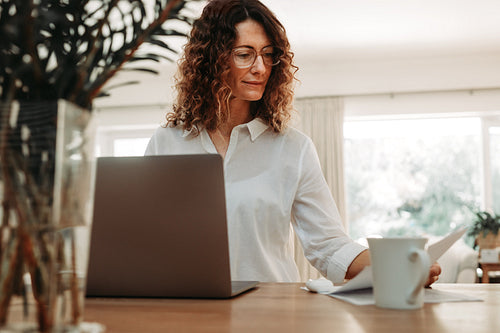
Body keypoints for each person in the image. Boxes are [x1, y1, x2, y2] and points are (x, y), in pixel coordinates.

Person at [145, 0, 441, 285]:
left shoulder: (293, 148)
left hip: (272, 311)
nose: (260, 68)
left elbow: (329, 246)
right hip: (187, 310)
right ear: (212, 59)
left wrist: (398, 263)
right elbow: (146, 240)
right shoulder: (167, 143)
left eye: (268, 54)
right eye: (245, 54)